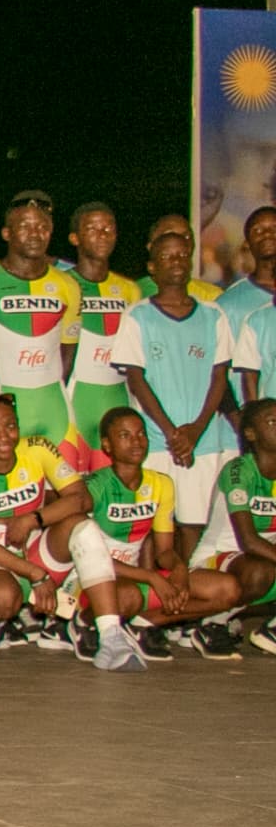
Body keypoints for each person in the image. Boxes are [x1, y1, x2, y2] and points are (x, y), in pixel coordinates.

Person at [0, 393, 113, 659]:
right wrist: (36, 574)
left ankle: (111, 635)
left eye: (10, 426)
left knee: (81, 526)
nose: (3, 436)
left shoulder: (37, 448)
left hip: (31, 547)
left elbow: (81, 498)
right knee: (0, 598)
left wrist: (32, 519)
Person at [80, 406, 246, 667]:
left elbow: (164, 551)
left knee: (228, 588)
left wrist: (179, 570)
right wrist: (153, 577)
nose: (136, 441)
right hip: (94, 579)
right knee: (128, 598)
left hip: (136, 577)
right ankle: (83, 624)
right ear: (107, 445)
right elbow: (92, 559)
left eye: (141, 434)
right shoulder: (94, 486)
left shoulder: (161, 484)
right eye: (125, 435)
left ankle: (145, 624)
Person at [117, 229, 236, 567]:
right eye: (167, 256)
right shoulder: (138, 316)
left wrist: (195, 431)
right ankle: (155, 604)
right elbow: (137, 380)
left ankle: (192, 598)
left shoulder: (213, 315)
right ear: (152, 267)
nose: (177, 262)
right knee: (157, 527)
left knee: (195, 525)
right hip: (157, 440)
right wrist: (172, 433)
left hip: (204, 441)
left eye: (183, 255)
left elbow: (219, 378)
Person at [0, 192, 78, 448]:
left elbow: (69, 350)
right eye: (24, 226)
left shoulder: (67, 284)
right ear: (6, 233)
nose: (34, 234)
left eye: (42, 227)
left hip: (54, 408)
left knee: (67, 488)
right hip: (2, 406)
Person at [59, 202, 141, 473]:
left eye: (108, 228)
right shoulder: (61, 284)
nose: (102, 234)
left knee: (111, 487)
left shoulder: (130, 290)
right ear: (75, 238)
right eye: (92, 228)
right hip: (74, 399)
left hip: (117, 398)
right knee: (73, 493)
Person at [194, 397, 276, 654]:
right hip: (218, 559)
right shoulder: (239, 470)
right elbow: (248, 541)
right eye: (273, 421)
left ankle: (270, 629)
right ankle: (212, 623)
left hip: (264, 558)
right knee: (260, 572)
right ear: (251, 433)